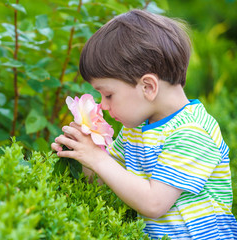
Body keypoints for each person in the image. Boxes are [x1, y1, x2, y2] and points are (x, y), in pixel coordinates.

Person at [51, 9, 237, 239]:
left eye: (108, 95)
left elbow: (154, 203)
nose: (104, 106)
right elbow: (106, 180)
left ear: (148, 86)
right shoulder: (136, 128)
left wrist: (98, 159)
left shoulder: (192, 132)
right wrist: (83, 153)